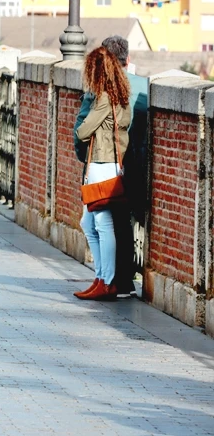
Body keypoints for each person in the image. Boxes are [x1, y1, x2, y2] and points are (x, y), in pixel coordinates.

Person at [75, 36, 148, 296]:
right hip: (116, 164)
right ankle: (103, 277)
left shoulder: (104, 96)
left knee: (102, 224)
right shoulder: (126, 91)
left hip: (102, 162)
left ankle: (107, 281)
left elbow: (83, 131)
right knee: (90, 223)